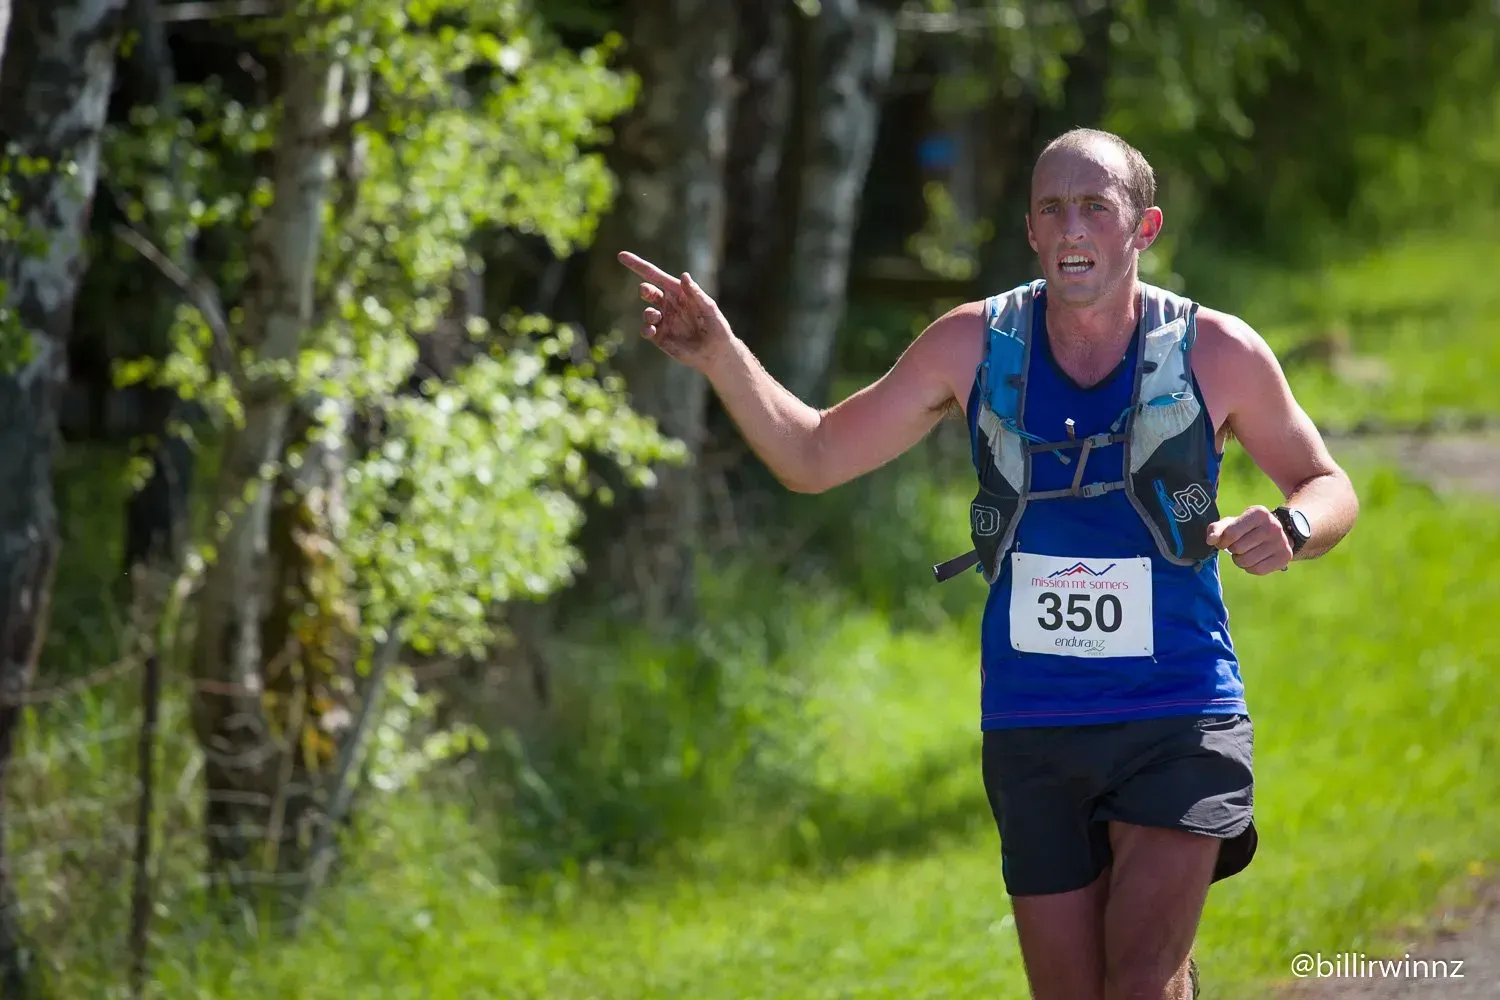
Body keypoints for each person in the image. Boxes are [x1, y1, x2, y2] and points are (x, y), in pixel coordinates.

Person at [617, 127, 1359, 1000]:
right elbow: (813, 454)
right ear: (1031, 233)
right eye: (1053, 209)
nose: (1073, 227)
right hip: (1032, 718)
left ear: (1144, 228)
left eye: (1096, 207)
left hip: (1180, 709)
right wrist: (719, 354)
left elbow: (1324, 480)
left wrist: (1293, 525)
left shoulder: (1216, 352)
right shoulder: (972, 346)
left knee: (1140, 982)